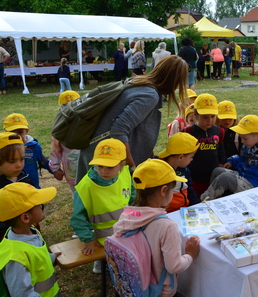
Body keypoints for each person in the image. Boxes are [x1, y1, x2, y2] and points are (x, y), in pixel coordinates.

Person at [76, 55, 190, 183]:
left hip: (102, 152)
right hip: (107, 160)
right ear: (174, 80)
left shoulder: (139, 82)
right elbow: (119, 130)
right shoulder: (149, 95)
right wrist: (131, 166)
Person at [113, 158, 200, 297]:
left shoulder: (127, 215)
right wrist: (190, 254)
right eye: (173, 190)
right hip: (159, 291)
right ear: (164, 190)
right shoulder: (167, 226)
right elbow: (174, 266)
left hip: (134, 285)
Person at [71, 138, 136, 274]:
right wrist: (88, 239)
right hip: (102, 238)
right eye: (99, 166)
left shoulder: (125, 174)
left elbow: (132, 197)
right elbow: (78, 218)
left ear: (122, 165)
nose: (104, 171)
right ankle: (102, 265)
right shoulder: (85, 187)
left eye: (110, 167)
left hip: (127, 231)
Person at [201, 115, 258, 200]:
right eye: (241, 138)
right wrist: (232, 161)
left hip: (257, 186)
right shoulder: (248, 145)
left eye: (245, 138)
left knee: (225, 178)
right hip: (245, 175)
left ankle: (204, 201)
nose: (242, 141)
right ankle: (216, 198)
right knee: (217, 170)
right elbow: (242, 157)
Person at [0, 183, 60, 297]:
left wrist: (50, 258)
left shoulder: (30, 231)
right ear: (25, 217)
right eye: (38, 205)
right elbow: (21, 294)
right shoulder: (15, 258)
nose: (41, 206)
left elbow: (35, 260)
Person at [184, 93, 226, 197]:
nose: (210, 120)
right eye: (205, 117)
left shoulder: (219, 131)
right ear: (195, 115)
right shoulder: (187, 132)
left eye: (213, 116)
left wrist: (222, 163)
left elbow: (220, 149)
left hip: (213, 179)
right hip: (194, 179)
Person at [4, 113, 52, 189]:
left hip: (32, 186)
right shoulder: (4, 148)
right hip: (9, 186)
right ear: (5, 132)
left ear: (26, 131)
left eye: (20, 132)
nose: (17, 135)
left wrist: (55, 170)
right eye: (12, 132)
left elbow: (43, 161)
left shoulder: (34, 147)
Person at [0, 132, 33, 239]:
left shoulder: (23, 176)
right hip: (6, 233)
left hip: (27, 225)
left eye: (21, 159)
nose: (19, 165)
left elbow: (34, 195)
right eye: (12, 161)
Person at [156, 132, 200, 211]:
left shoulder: (185, 170)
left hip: (183, 210)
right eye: (191, 157)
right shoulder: (157, 170)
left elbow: (189, 189)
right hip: (165, 213)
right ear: (180, 157)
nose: (192, 160)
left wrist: (196, 206)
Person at [50, 91, 81, 195]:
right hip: (72, 173)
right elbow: (55, 150)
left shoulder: (89, 124)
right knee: (77, 196)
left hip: (90, 169)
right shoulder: (59, 129)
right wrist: (55, 168)